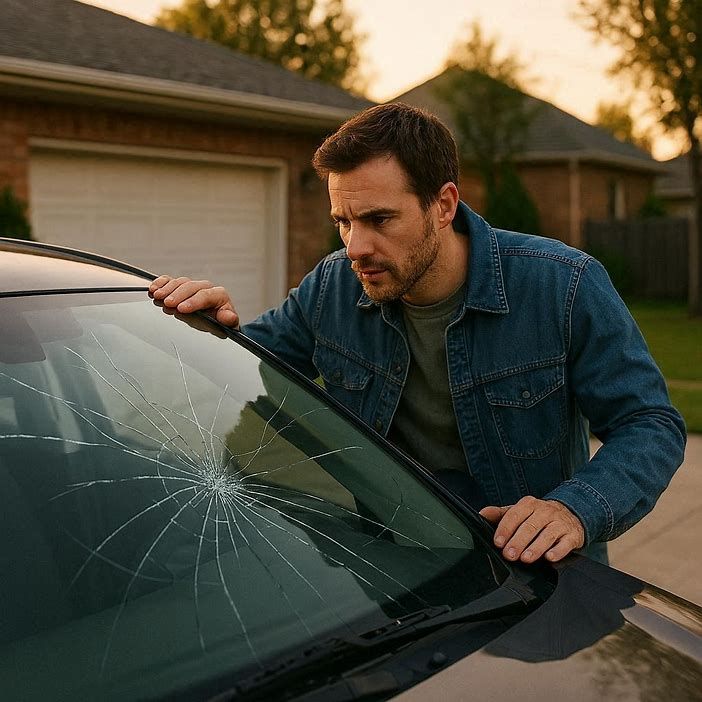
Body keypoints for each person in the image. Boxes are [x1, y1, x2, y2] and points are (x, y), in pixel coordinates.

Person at [150, 103, 686, 565]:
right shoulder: (332, 287)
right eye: (343, 220)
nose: (355, 246)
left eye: (379, 220)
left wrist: (576, 507)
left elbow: (650, 423)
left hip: (532, 578)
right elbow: (247, 363)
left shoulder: (562, 286)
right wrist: (213, 323)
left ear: (444, 205)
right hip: (390, 571)